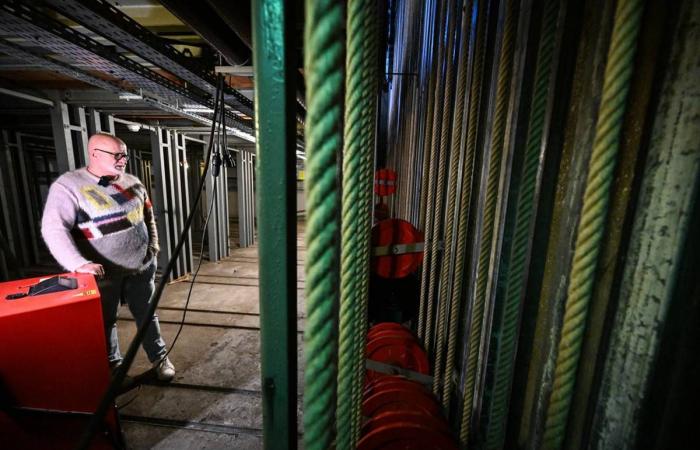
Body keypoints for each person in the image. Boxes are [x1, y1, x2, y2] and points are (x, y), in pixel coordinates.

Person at [41, 132, 175, 381]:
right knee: (105, 320)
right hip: (104, 273)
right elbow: (53, 228)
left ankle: (159, 358)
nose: (123, 159)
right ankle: (115, 367)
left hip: (141, 266)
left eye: (124, 154)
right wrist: (79, 264)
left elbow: (148, 216)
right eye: (117, 154)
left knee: (147, 315)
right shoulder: (69, 186)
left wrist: (153, 246)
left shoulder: (133, 182)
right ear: (94, 154)